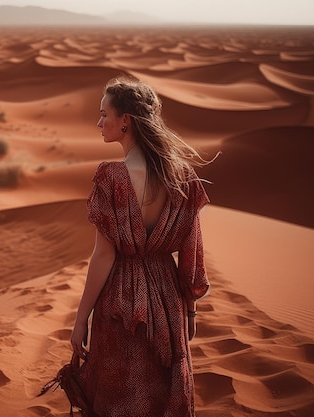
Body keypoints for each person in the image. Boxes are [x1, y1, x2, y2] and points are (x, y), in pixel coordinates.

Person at [70, 76, 211, 417]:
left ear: (125, 121)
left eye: (105, 114)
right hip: (168, 300)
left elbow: (103, 255)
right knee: (163, 399)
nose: (99, 122)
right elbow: (192, 254)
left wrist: (80, 318)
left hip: (120, 301)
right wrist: (190, 309)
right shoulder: (183, 176)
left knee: (118, 397)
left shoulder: (111, 177)